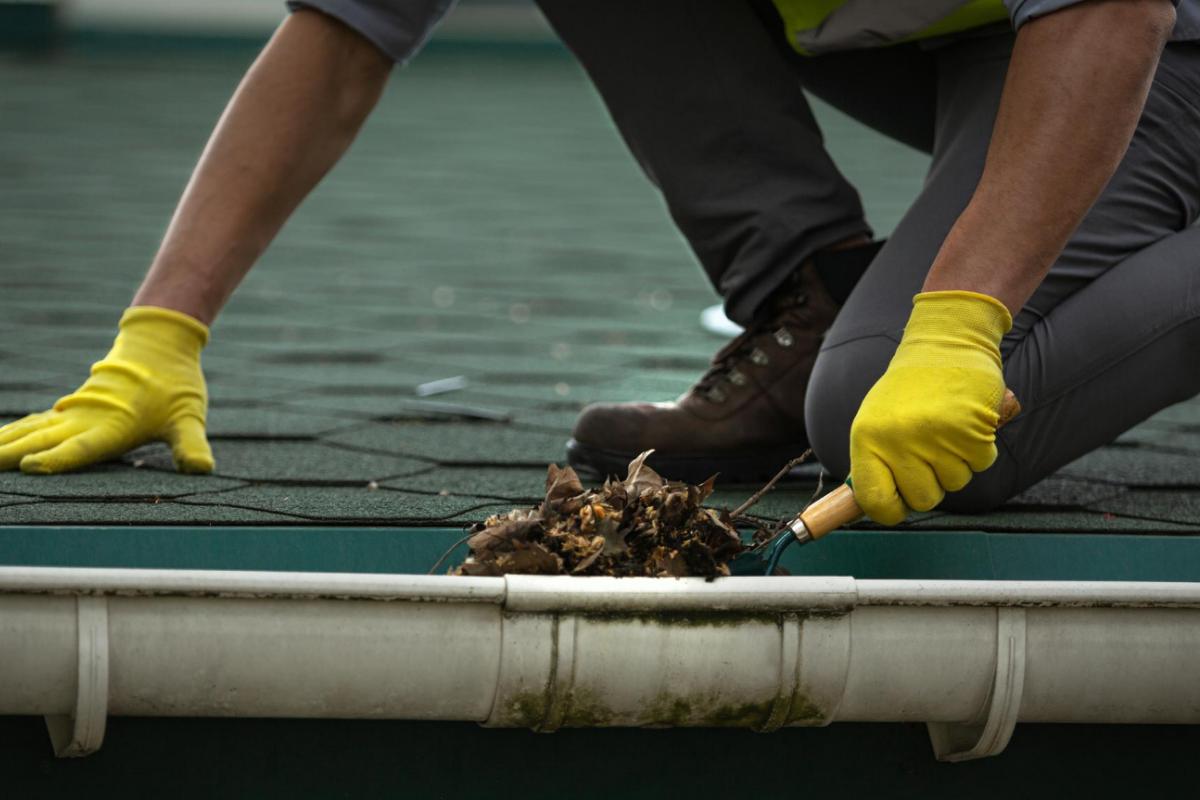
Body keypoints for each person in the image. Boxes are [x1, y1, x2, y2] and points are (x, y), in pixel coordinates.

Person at [1, 0, 1197, 528]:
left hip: (1135, 55)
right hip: (950, 40)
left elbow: (1116, 10)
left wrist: (959, 320)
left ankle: (860, 349)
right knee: (858, 377)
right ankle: (804, 289)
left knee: (892, 411)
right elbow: (344, 31)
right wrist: (162, 332)